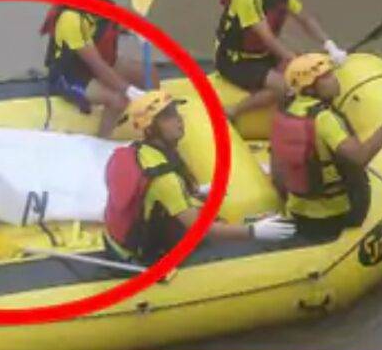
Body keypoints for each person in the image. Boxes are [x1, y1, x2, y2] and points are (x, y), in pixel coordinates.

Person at [103, 90, 296, 264]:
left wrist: (195, 192)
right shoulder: (164, 179)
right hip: (142, 253)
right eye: (168, 117)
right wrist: (253, 232)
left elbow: (152, 196)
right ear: (150, 129)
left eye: (176, 113)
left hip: (124, 239)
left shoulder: (140, 151)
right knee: (229, 243)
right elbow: (200, 229)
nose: (179, 120)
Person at [271, 53, 382, 240]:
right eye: (326, 77)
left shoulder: (285, 113)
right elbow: (360, 157)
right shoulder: (324, 119)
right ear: (310, 88)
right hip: (334, 216)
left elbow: (277, 173)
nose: (335, 80)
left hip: (297, 211)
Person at [214, 0, 348, 122]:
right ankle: (233, 111)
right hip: (235, 60)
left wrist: (330, 45)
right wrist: (293, 60)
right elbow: (266, 36)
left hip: (263, 54)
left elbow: (305, 18)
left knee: (307, 65)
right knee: (283, 88)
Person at [41, 0, 158, 137]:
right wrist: (129, 90)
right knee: (118, 100)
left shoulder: (102, 4)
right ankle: (103, 141)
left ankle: (154, 126)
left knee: (150, 73)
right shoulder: (70, 19)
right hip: (72, 75)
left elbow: (115, 25)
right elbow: (97, 66)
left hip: (100, 63)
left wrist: (138, 31)